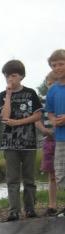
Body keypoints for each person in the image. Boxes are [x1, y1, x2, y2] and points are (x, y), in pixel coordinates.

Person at [0, 60, 43, 221]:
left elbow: (38, 115)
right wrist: (8, 95)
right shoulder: (2, 95)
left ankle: (30, 209)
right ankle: (13, 211)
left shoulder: (31, 93)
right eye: (7, 76)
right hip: (10, 144)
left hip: (29, 143)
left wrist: (18, 123)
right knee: (12, 179)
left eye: (13, 75)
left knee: (29, 178)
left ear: (21, 76)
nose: (10, 79)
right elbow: (5, 117)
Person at [45, 49, 65, 216]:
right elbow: (49, 111)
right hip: (60, 137)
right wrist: (52, 120)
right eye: (54, 65)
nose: (58, 68)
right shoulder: (52, 90)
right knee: (60, 173)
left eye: (61, 64)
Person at [36, 72, 58, 216]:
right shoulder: (43, 102)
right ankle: (52, 205)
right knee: (52, 175)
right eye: (49, 84)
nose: (51, 87)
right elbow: (37, 119)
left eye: (54, 84)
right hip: (49, 141)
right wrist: (44, 129)